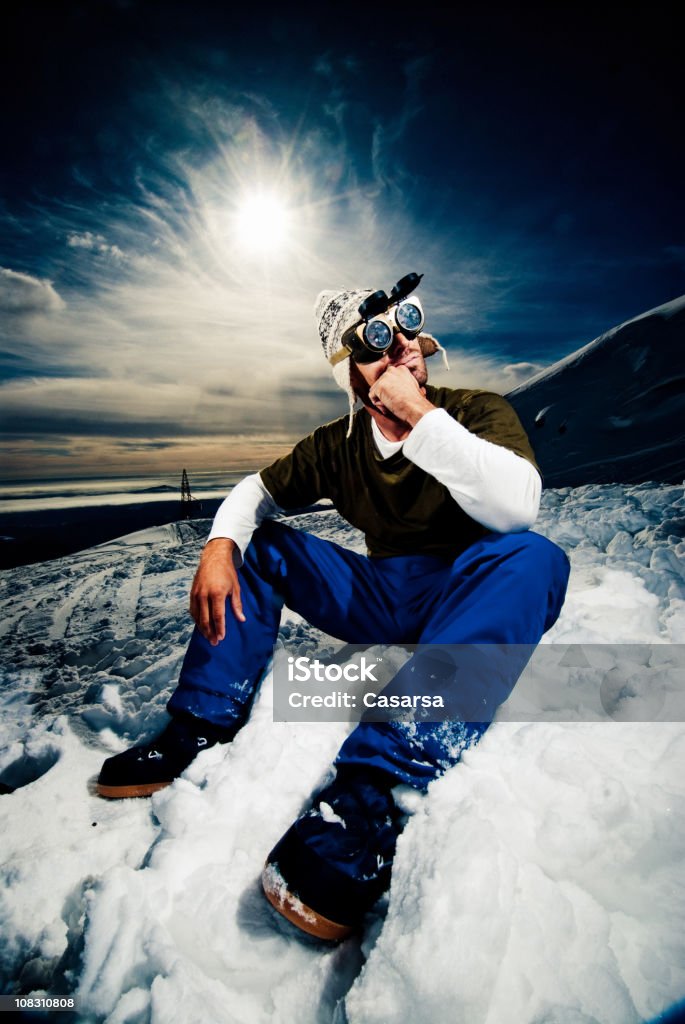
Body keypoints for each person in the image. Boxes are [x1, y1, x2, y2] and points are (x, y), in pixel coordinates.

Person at [97, 273, 570, 940]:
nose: (402, 346)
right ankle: (200, 723)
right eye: (377, 341)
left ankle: (368, 792)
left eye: (408, 331)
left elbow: (517, 504)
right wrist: (220, 544)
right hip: (380, 595)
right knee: (257, 546)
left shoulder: (473, 410)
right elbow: (256, 490)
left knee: (533, 556)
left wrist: (419, 418)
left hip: (464, 594)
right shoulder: (338, 445)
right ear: (348, 371)